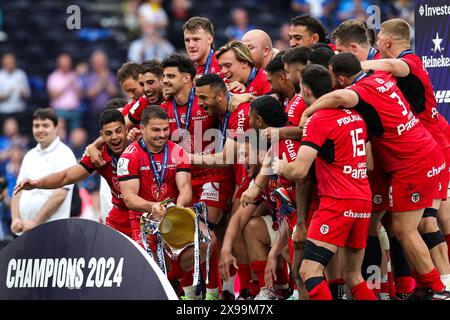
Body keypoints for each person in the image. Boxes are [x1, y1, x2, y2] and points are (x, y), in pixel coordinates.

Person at [301, 53, 450, 300]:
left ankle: (438, 288)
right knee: (400, 225)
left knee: (405, 229)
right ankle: (426, 286)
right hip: (423, 153)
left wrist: (309, 113)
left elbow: (339, 96)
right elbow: (390, 65)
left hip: (412, 163)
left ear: (340, 77)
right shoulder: (381, 75)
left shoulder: (357, 91)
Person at [362, 18, 450, 293]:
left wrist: (357, 69)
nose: (375, 47)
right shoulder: (390, 61)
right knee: (413, 223)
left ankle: (444, 284)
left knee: (426, 221)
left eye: (378, 41)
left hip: (434, 147)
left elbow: (391, 66)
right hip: (422, 149)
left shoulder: (409, 61)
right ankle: (428, 283)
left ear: (388, 41)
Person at [275, 64, 376, 300]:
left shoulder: (318, 119)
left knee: (309, 271)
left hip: (338, 203)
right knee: (353, 276)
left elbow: (299, 171)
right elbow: (369, 164)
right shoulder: (354, 116)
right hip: (363, 200)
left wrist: (280, 166)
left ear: (306, 91)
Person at [118, 106, 209, 300]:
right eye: (156, 130)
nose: (162, 134)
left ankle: (185, 287)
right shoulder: (129, 156)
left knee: (208, 240)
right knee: (153, 269)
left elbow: (185, 188)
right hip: (144, 220)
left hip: (173, 215)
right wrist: (152, 206)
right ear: (142, 129)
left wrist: (177, 208)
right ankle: (173, 283)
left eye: (165, 129)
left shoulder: (178, 151)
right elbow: (129, 198)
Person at [13, 109, 131, 237]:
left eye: (118, 131)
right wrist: (37, 183)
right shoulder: (98, 155)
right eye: (108, 133)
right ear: (101, 135)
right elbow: (66, 177)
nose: (114, 137)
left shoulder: (139, 149)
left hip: (141, 215)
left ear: (126, 130)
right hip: (118, 218)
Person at [10, 108, 76, 236]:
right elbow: (17, 191)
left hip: (52, 232)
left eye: (45, 125)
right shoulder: (29, 155)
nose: (40, 130)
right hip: (24, 232)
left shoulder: (65, 154)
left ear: (56, 128)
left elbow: (60, 195)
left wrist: (35, 222)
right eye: (36, 126)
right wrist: (15, 219)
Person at [46, 53, 82, 133]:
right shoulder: (53, 77)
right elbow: (53, 96)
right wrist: (66, 84)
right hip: (59, 111)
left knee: (77, 134)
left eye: (68, 63)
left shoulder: (74, 75)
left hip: (74, 110)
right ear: (59, 64)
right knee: (60, 134)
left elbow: (80, 96)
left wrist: (74, 85)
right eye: (64, 63)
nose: (66, 65)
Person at [0, 53, 30, 125]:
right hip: (4, 111)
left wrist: (22, 94)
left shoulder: (21, 74)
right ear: (3, 63)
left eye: (11, 63)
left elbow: (27, 95)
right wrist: (7, 95)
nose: (9, 65)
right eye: (7, 63)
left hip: (19, 109)